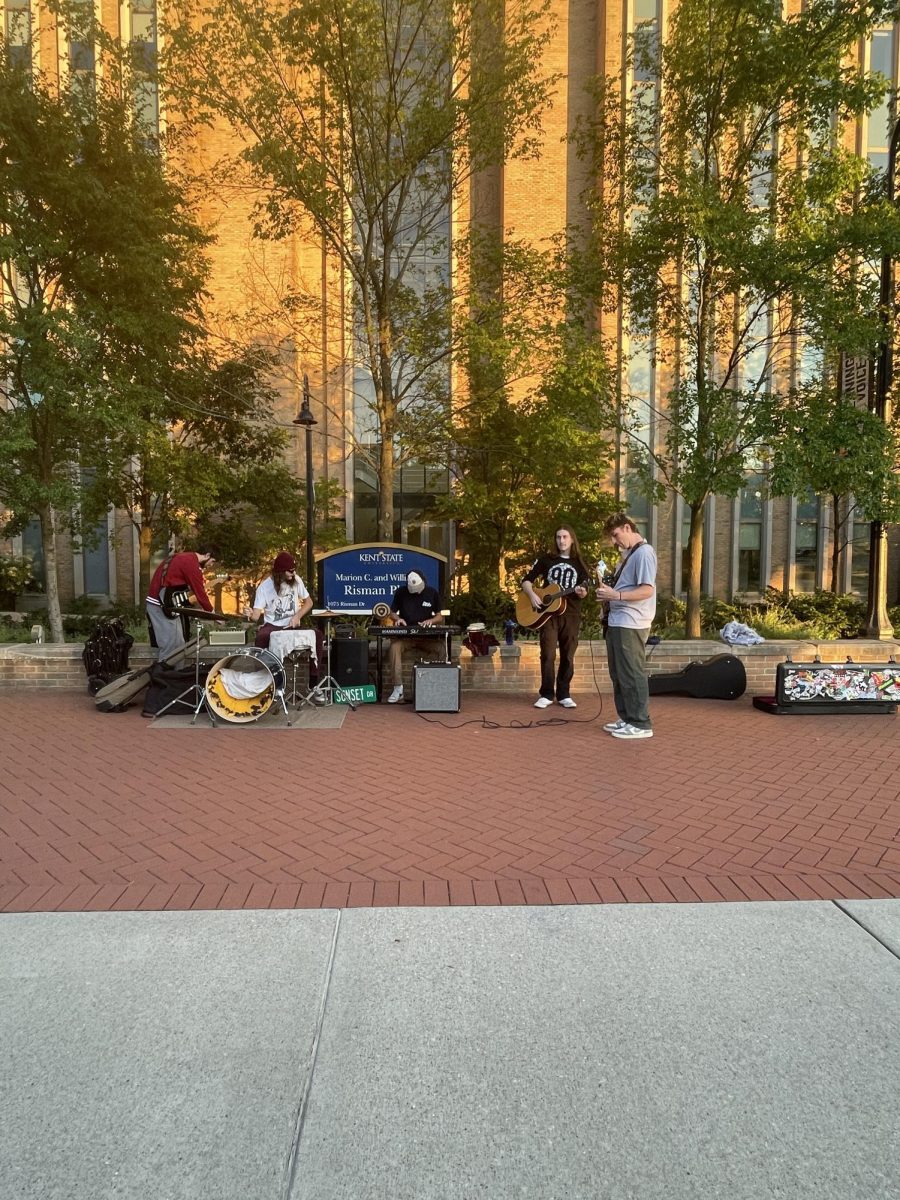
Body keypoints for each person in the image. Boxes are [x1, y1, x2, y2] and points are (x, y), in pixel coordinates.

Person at [594, 512, 657, 739]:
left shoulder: (644, 554)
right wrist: (608, 595)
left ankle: (641, 723)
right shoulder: (630, 555)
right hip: (618, 621)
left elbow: (647, 590)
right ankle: (627, 717)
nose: (614, 541)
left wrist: (616, 595)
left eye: (615, 535)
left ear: (628, 528)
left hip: (631, 622)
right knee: (618, 674)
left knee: (632, 673)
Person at [521, 526, 590, 709]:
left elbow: (585, 590)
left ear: (572, 539)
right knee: (548, 654)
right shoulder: (546, 559)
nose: (561, 540)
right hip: (548, 615)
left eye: (565, 537)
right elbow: (527, 580)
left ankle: (564, 694)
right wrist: (532, 595)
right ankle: (546, 694)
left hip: (571, 613)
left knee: (568, 655)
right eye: (558, 537)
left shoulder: (579, 562)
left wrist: (582, 592)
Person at [243, 551, 325, 701]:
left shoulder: (297, 580)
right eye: (290, 571)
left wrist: (297, 616)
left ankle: (313, 684)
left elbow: (309, 602)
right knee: (261, 638)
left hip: (292, 625)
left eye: (294, 571)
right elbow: (255, 616)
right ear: (279, 572)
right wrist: (249, 613)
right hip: (273, 625)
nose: (293, 574)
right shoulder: (264, 587)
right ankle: (265, 684)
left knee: (317, 635)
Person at [146, 545, 217, 660]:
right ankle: (163, 676)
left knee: (178, 644)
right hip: (160, 605)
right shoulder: (191, 564)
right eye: (212, 561)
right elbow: (200, 592)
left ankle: (175, 675)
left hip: (164, 603)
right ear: (207, 555)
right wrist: (213, 613)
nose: (211, 565)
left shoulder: (183, 557)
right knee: (170, 645)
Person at [386, 569, 444, 704]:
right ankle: (398, 688)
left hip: (426, 637)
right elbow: (392, 612)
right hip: (406, 637)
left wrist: (431, 621)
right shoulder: (401, 592)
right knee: (394, 648)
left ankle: (438, 686)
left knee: (441, 648)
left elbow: (440, 616)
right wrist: (398, 619)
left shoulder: (432, 593)